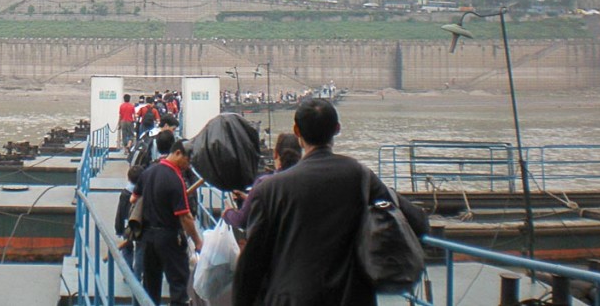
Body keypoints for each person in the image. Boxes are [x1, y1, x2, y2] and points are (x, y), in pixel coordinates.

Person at [232, 98, 428, 306]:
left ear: (297, 132)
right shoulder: (359, 175)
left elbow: (250, 266)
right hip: (351, 298)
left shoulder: (270, 189)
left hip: (290, 298)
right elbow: (415, 221)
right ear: (337, 129)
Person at [132, 139, 203, 306]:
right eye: (187, 160)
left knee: (150, 286)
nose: (188, 165)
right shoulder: (175, 179)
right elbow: (184, 217)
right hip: (169, 237)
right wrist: (198, 241)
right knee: (179, 285)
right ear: (178, 153)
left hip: (148, 237)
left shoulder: (148, 172)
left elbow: (134, 198)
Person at [222, 132, 301, 232]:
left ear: (275, 153)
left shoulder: (264, 183)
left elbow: (242, 220)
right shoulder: (306, 182)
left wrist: (228, 213)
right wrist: (248, 199)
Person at [114, 164, 145, 273]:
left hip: (126, 224)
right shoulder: (143, 194)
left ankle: (128, 272)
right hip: (140, 225)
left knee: (127, 248)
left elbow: (120, 212)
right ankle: (137, 273)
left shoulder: (125, 193)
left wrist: (119, 228)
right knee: (140, 248)